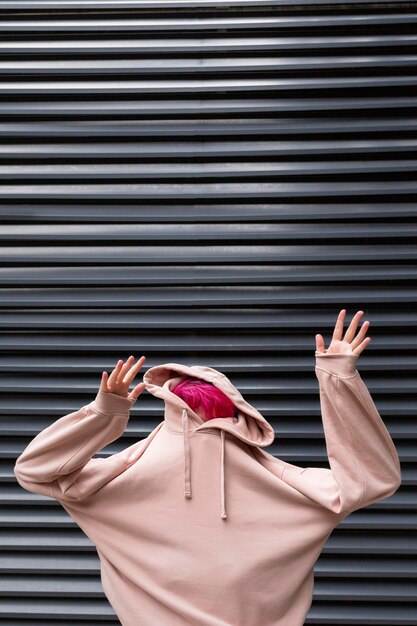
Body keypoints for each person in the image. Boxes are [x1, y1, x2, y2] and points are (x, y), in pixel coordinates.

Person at [14, 309, 401, 626]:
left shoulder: (125, 472)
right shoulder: (281, 480)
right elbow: (371, 481)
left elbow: (35, 471)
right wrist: (338, 378)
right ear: (237, 410)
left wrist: (105, 414)